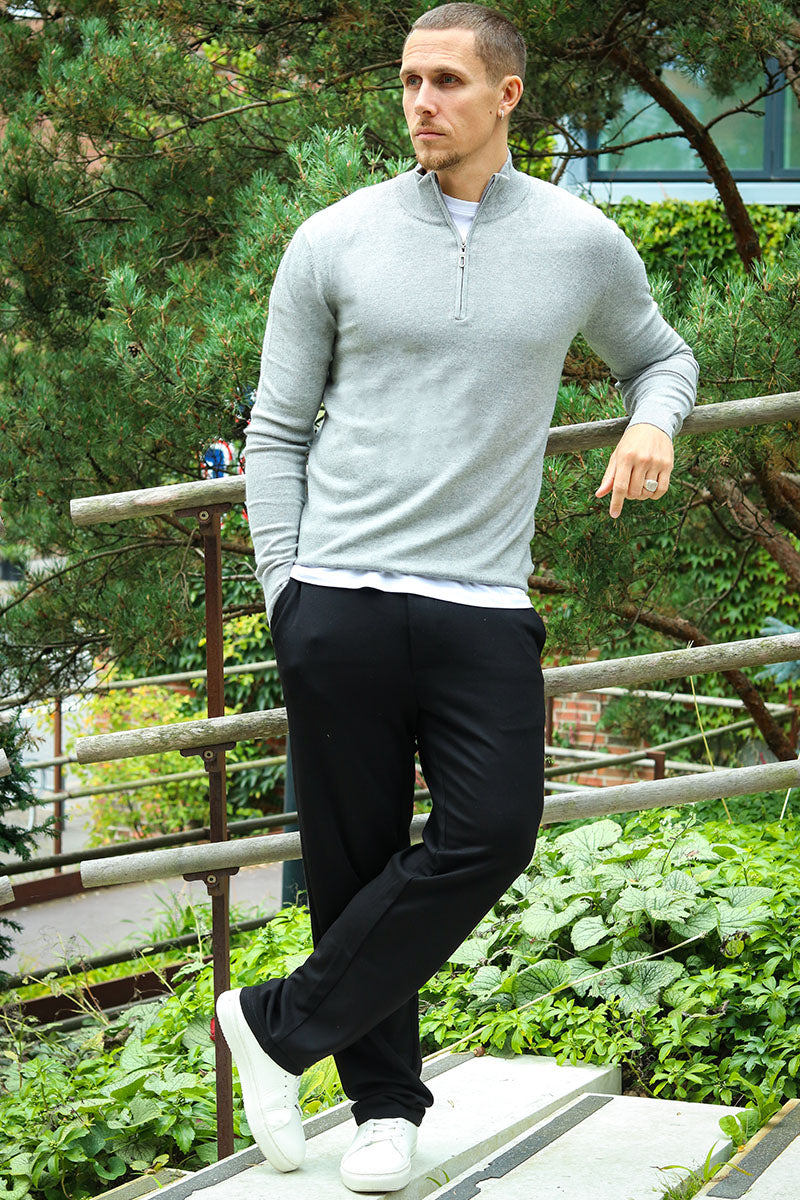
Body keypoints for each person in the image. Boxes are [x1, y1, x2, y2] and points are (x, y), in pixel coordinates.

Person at [215, 3, 698, 1192]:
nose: (421, 102)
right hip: (337, 596)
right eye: (408, 81)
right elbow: (275, 432)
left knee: (491, 833)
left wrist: (651, 421)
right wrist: (284, 592)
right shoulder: (332, 239)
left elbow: (660, 354)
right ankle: (383, 1110)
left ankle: (273, 1025)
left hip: (480, 600)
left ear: (506, 95)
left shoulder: (579, 242)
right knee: (352, 862)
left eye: (445, 81)